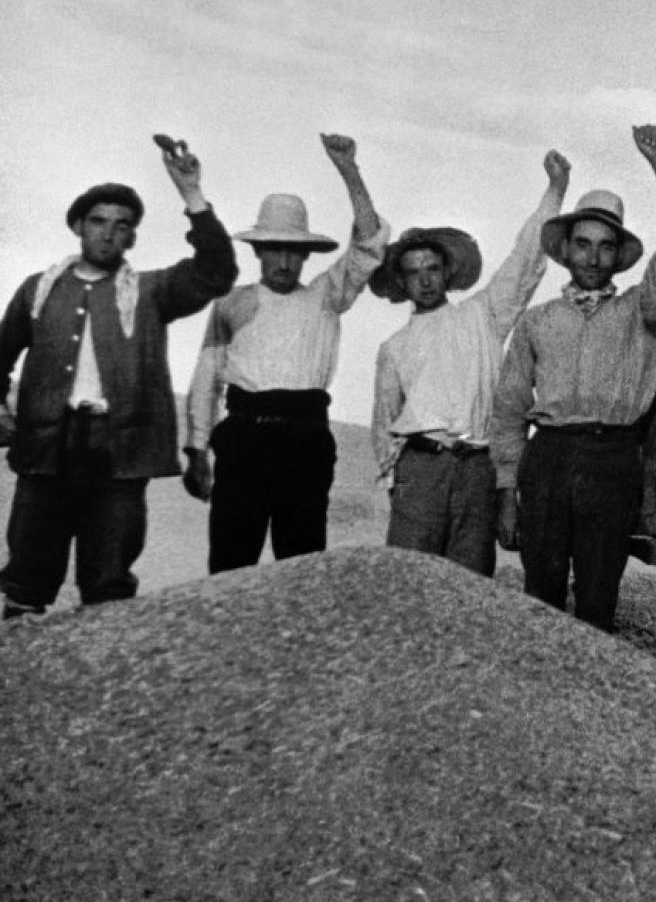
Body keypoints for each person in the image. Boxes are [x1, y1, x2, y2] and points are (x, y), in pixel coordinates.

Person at [0, 139, 236, 618]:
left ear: (131, 238)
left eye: (121, 226)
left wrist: (191, 194)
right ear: (78, 227)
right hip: (47, 449)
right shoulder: (38, 291)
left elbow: (216, 272)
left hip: (118, 454)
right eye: (98, 222)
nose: (108, 234)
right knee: (27, 576)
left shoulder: (152, 293)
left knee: (108, 583)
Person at [491, 126, 656, 627]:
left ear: (618, 256)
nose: (592, 257)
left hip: (612, 463)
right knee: (539, 597)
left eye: (605, 247)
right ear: (565, 251)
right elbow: (508, 410)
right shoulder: (537, 321)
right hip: (549, 460)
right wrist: (507, 493)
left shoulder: (643, 311)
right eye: (582, 245)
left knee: (597, 599)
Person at [183, 133, 386, 573]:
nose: (283, 262)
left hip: (305, 439)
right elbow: (207, 375)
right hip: (242, 439)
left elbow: (370, 244)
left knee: (302, 565)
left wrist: (349, 170)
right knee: (232, 566)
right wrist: (197, 449)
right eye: (274, 248)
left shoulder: (326, 297)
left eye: (293, 251)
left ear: (306, 255)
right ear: (258, 249)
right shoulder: (231, 303)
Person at [370, 146, 571, 576]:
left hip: (476, 469)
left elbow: (524, 263)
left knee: (470, 584)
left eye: (432, 268)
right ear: (402, 282)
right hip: (421, 468)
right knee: (410, 580)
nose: (425, 279)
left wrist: (555, 190)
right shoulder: (394, 347)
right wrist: (396, 485)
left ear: (447, 272)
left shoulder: (482, 316)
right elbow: (383, 422)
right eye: (413, 271)